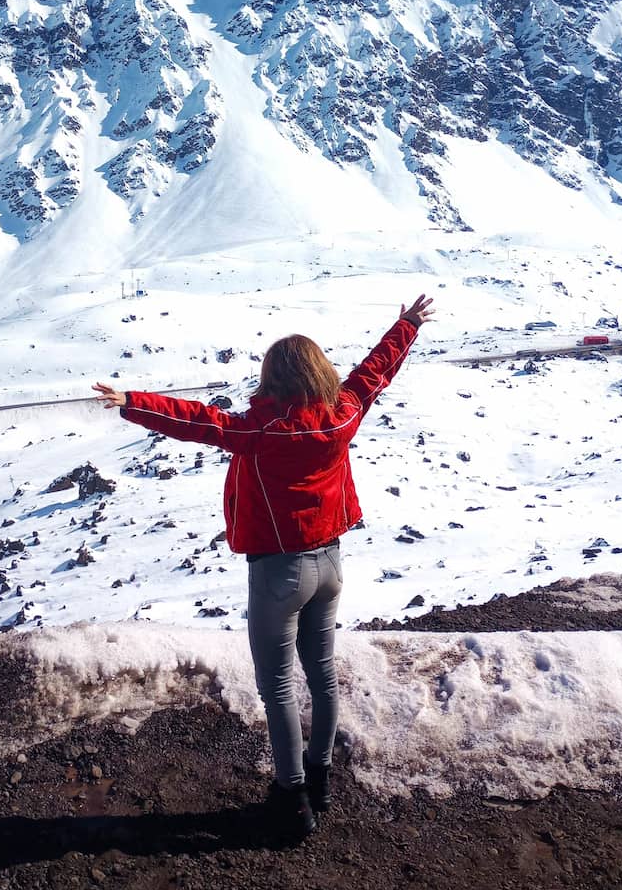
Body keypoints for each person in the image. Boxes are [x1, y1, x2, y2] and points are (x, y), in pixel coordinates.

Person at [93, 292, 435, 839]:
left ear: (274, 379)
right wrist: (406, 326)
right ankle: (319, 779)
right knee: (321, 675)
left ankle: (291, 798)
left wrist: (130, 400)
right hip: (329, 564)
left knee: (277, 685)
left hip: (281, 572)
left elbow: (197, 422)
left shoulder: (261, 431)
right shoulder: (341, 415)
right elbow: (372, 376)